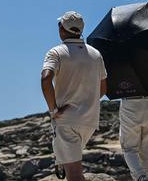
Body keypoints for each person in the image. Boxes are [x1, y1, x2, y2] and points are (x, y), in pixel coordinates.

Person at [41, 11, 108, 181]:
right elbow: (103, 89)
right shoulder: (95, 54)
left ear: (62, 28)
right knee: (75, 170)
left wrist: (53, 110)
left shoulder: (56, 52)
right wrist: (86, 102)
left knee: (74, 175)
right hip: (89, 121)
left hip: (66, 120)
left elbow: (46, 78)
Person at [119, 93, 148, 181]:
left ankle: (140, 176)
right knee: (147, 151)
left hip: (130, 102)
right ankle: (146, 178)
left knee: (129, 149)